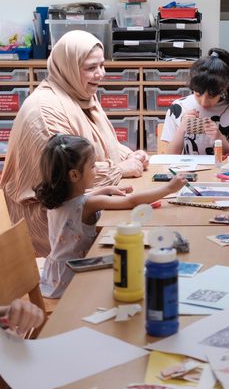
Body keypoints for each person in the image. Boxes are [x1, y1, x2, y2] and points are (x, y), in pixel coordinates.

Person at [0, 30, 150, 257]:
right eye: (91, 68)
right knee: (133, 243)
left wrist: (129, 154)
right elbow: (69, 177)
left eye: (102, 65)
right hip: (52, 221)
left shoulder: (78, 93)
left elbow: (96, 141)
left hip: (78, 204)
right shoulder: (45, 111)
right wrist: (120, 168)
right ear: (67, 66)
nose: (100, 74)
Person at [33, 134, 186, 299]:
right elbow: (132, 201)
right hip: (74, 278)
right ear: (74, 176)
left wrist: (105, 190)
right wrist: (169, 189)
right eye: (92, 166)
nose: (97, 170)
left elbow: (83, 198)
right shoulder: (87, 204)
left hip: (55, 275)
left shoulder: (56, 199)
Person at [161, 48, 229, 155]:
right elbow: (168, 156)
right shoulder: (178, 108)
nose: (204, 102)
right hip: (187, 171)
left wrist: (220, 140)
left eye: (211, 96)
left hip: (220, 171)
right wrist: (182, 129)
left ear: (223, 89)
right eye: (198, 94)